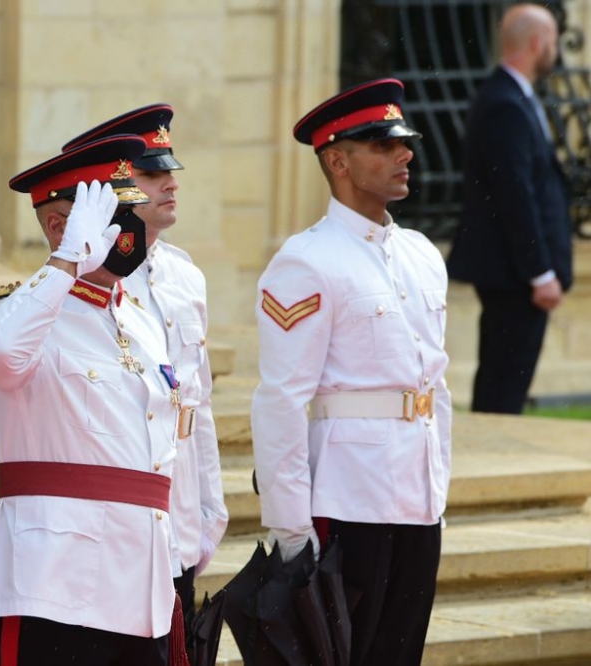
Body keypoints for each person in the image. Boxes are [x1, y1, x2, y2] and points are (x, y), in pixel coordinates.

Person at [250, 79, 452, 665]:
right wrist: (290, 526)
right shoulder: (306, 259)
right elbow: (282, 399)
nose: (404, 155)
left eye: (404, 144)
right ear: (337, 160)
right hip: (348, 495)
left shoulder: (419, 253)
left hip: (417, 495)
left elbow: (431, 387)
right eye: (384, 146)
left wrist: (437, 487)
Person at [0, 135, 186, 665]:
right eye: (114, 214)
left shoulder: (137, 320)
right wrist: (66, 262)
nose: (130, 228)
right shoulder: (22, 314)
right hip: (53, 586)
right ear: (59, 226)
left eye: (132, 211)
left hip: (140, 585)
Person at [60, 105, 228, 619]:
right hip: (116, 514)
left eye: (169, 171)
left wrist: (210, 509)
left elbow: (195, 404)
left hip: (179, 508)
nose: (170, 184)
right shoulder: (88, 277)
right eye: (151, 174)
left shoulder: (185, 275)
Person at [446, 2, 572, 414]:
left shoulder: (514, 96)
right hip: (515, 278)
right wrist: (540, 273)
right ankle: (491, 468)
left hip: (515, 276)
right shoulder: (504, 102)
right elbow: (514, 196)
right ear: (538, 42)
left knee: (505, 385)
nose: (556, 50)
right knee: (503, 390)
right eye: (553, 40)